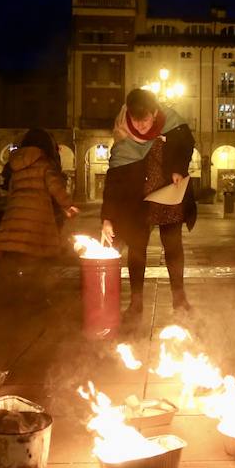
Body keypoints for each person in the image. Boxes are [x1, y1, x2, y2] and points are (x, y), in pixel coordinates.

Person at [100, 88, 197, 320]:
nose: (141, 126)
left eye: (145, 120)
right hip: (137, 201)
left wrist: (178, 169)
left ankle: (179, 298)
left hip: (168, 196)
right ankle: (136, 303)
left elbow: (186, 145)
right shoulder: (124, 137)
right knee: (136, 250)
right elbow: (114, 180)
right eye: (136, 119)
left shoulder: (173, 123)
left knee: (173, 247)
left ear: (155, 113)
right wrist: (107, 218)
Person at [0, 128, 80, 265]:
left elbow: (11, 191)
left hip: (14, 218)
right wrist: (69, 206)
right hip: (37, 219)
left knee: (16, 257)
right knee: (34, 259)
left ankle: (14, 283)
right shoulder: (44, 164)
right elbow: (55, 187)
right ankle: (32, 284)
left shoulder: (15, 166)